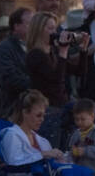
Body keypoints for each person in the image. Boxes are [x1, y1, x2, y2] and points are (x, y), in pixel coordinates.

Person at [25, 10, 87, 144]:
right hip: (48, 110)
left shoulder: (53, 52)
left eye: (55, 28)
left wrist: (83, 50)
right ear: (39, 30)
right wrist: (63, 52)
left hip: (61, 107)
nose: (55, 32)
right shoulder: (35, 55)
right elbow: (55, 80)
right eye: (51, 28)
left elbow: (79, 71)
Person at [0, 7, 32, 119]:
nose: (33, 28)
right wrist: (38, 83)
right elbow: (9, 80)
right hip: (15, 111)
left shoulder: (34, 45)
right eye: (29, 24)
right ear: (16, 26)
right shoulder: (4, 49)